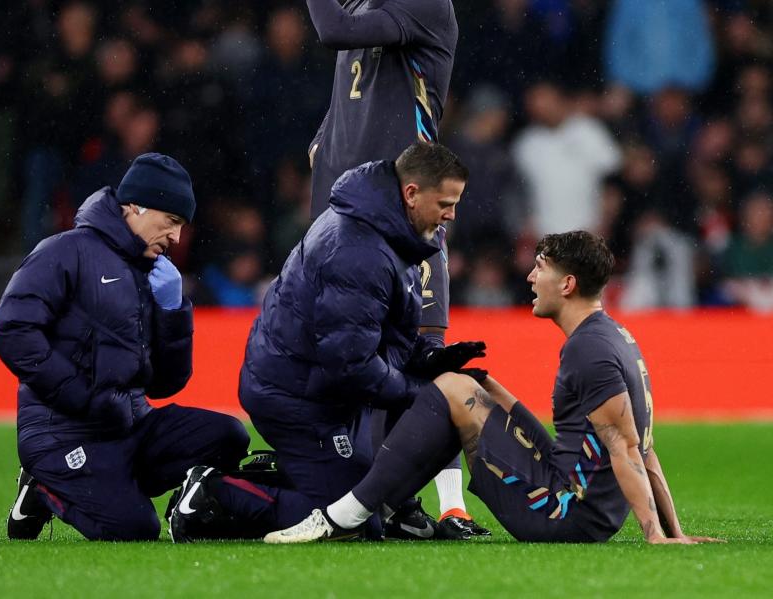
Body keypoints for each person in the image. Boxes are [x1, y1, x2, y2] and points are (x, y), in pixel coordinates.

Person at [266, 231, 724, 545]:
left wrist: (657, 535)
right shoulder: (615, 337)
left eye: (540, 268)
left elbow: (624, 447)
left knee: (446, 386)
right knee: (460, 384)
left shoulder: (588, 351)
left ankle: (348, 514)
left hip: (564, 515)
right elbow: (645, 448)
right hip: (581, 504)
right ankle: (379, 510)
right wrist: (489, 388)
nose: (529, 277)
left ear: (567, 284)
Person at [168, 142, 484, 542]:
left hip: (320, 391)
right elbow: (351, 364)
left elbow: (372, 338)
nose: (451, 214)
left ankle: (294, 472)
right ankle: (215, 491)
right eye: (446, 202)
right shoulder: (360, 250)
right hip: (295, 398)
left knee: (370, 487)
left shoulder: (384, 232)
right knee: (351, 518)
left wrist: (429, 360)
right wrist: (418, 389)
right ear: (411, 194)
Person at [0, 153, 250, 542]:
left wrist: (174, 312)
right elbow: (10, 328)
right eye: (172, 222)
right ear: (136, 206)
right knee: (134, 528)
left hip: (128, 424)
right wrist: (77, 395)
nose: (176, 238)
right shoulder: (64, 251)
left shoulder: (152, 271)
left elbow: (166, 384)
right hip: (62, 433)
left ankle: (133, 488)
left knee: (229, 436)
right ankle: (43, 485)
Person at [303, 0, 485, 537]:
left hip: (411, 219)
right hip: (349, 219)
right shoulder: (361, 6)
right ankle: (382, 500)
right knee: (354, 359)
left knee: (422, 358)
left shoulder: (424, 5)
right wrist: (323, 139)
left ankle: (450, 504)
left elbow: (334, 30)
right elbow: (352, 95)